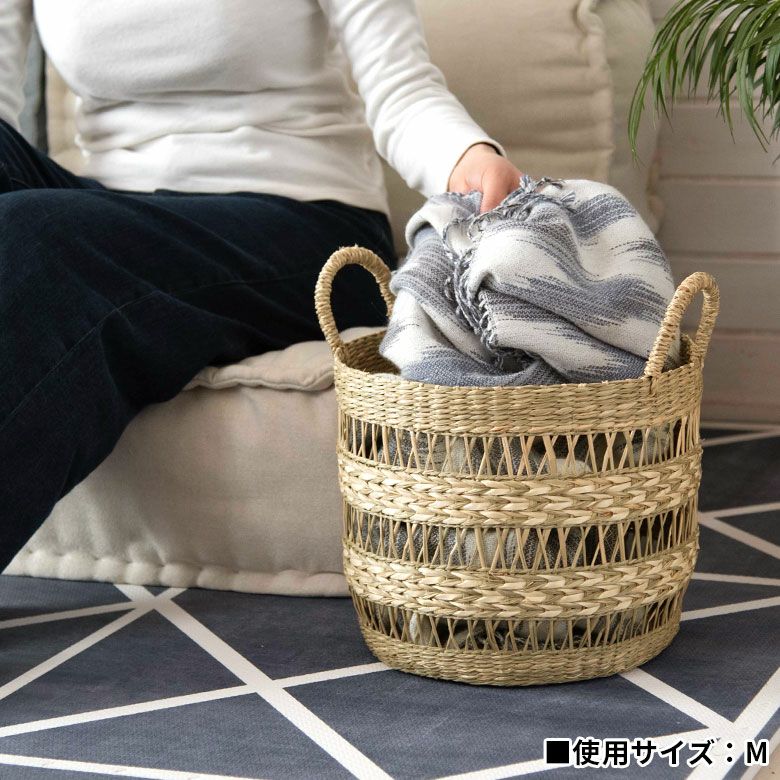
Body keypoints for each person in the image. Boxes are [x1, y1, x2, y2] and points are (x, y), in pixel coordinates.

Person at [0, 0, 523, 569]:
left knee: (35, 234)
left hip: (298, 220)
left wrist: (466, 158)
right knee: (38, 226)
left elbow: (403, 88)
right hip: (109, 212)